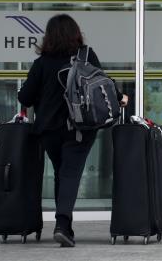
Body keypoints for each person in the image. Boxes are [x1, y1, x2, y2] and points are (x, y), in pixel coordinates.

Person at [18, 14, 128, 247]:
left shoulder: (42, 63)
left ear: (48, 37)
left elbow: (24, 97)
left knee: (62, 173)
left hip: (48, 130)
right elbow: (101, 84)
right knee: (70, 174)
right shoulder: (86, 56)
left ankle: (64, 225)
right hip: (80, 127)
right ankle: (62, 224)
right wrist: (120, 98)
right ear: (75, 33)